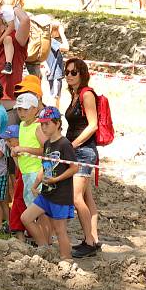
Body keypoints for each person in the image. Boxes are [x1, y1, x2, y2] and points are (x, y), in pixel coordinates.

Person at [20, 107, 78, 260]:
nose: (43, 127)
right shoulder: (47, 145)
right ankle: (44, 249)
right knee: (26, 218)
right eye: (42, 124)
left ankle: (67, 259)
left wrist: (57, 179)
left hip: (60, 195)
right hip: (46, 193)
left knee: (60, 230)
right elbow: (44, 167)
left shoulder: (65, 144)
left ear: (58, 123)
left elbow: (74, 167)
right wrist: (35, 184)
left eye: (47, 124)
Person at [63, 58, 101, 259]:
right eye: (67, 72)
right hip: (77, 150)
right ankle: (92, 238)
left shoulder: (86, 95)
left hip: (83, 151)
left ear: (82, 74)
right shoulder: (76, 95)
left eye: (73, 72)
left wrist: (73, 145)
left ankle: (89, 242)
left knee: (76, 197)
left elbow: (93, 125)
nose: (69, 75)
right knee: (86, 198)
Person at [9, 92, 47, 214]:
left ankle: (46, 233)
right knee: (31, 207)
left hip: (36, 173)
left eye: (25, 109)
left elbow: (47, 150)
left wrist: (24, 149)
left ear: (35, 109)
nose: (21, 113)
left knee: (39, 211)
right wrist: (16, 153)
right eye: (19, 109)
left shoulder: (37, 127)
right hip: (25, 172)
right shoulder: (22, 125)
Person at [44, 19, 69, 109]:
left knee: (55, 94)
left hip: (53, 72)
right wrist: (62, 33)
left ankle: (55, 113)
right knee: (55, 95)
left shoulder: (47, 40)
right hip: (55, 72)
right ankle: (54, 115)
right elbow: (66, 47)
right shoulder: (52, 41)